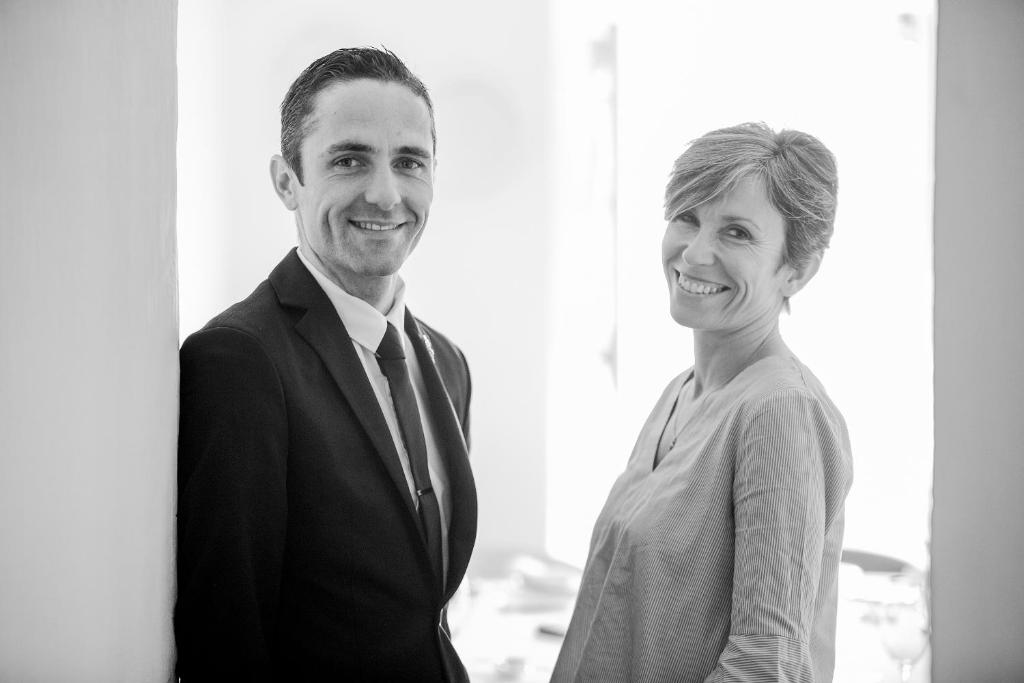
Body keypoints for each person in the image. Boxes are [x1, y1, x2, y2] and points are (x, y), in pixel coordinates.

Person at [175, 47, 477, 682]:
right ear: (288, 180)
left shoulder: (447, 364)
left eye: (409, 162)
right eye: (349, 160)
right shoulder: (238, 361)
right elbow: (226, 632)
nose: (386, 193)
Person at [552, 123, 853, 682]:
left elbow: (765, 667)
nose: (694, 252)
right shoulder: (682, 390)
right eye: (687, 216)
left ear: (797, 271)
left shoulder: (779, 412)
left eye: (736, 232)